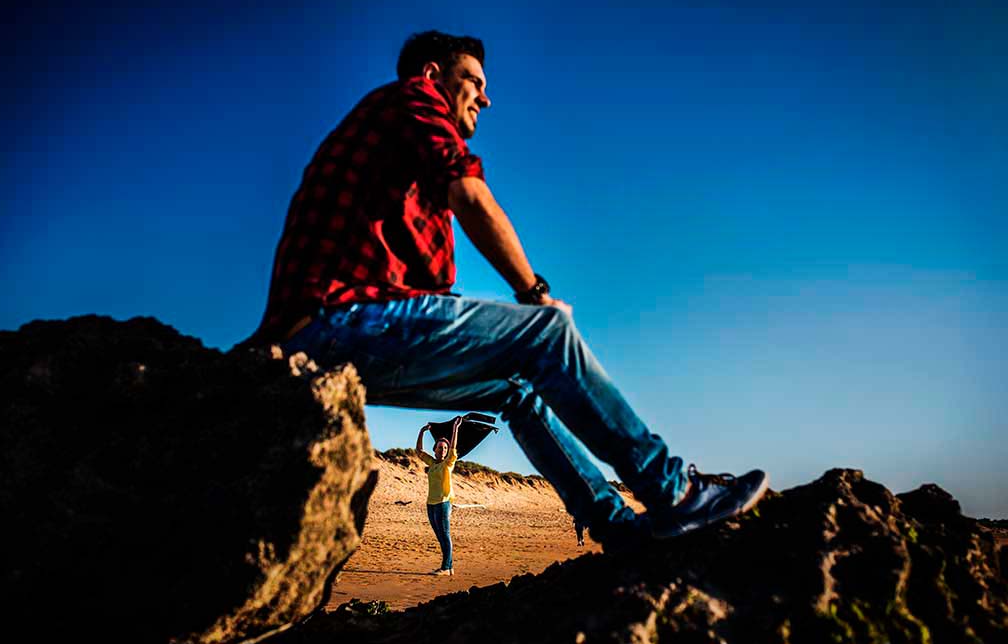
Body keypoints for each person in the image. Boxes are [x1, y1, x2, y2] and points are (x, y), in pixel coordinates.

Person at [246, 30, 769, 548]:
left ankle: (613, 525)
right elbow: (470, 195)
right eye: (472, 81)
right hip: (335, 323)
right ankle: (672, 491)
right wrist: (532, 292)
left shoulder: (394, 157)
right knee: (547, 329)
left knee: (516, 389)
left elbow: (426, 280)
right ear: (433, 75)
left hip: (330, 340)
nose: (486, 97)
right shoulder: (412, 97)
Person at [415, 416, 464, 575]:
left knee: (445, 535)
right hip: (431, 503)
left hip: (443, 503)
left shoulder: (448, 463)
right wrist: (422, 431)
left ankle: (446, 567)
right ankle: (449, 567)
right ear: (435, 449)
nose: (442, 450)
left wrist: (455, 429)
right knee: (440, 535)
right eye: (439, 447)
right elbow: (419, 452)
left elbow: (453, 448)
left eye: (444, 448)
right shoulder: (432, 463)